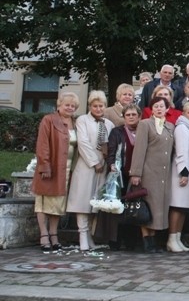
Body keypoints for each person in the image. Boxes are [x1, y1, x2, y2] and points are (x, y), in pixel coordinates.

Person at [32, 91, 80, 252]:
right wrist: (44, 166)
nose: (70, 108)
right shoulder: (49, 120)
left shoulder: (75, 122)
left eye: (73, 105)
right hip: (52, 167)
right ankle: (44, 235)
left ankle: (54, 234)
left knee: (58, 204)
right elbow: (43, 144)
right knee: (44, 202)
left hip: (67, 169)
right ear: (59, 105)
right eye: (67, 105)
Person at [67, 91, 114, 251]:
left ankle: (89, 237)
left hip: (103, 166)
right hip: (86, 165)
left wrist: (106, 162)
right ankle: (82, 236)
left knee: (95, 203)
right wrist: (94, 162)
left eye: (101, 106)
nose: (98, 108)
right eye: (95, 106)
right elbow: (83, 143)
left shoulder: (108, 123)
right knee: (83, 201)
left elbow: (111, 144)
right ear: (90, 106)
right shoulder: (83, 120)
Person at [129, 96, 175, 253]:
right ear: (151, 109)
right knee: (147, 207)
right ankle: (147, 242)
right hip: (148, 172)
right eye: (156, 106)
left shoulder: (170, 126)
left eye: (162, 106)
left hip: (164, 174)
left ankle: (153, 241)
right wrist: (136, 173)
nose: (159, 109)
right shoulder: (145, 124)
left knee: (158, 208)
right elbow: (139, 149)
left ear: (167, 109)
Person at [105, 103, 141, 251]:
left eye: (134, 115)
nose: (131, 117)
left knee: (134, 208)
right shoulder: (117, 131)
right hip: (120, 174)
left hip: (138, 175)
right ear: (124, 117)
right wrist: (112, 165)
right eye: (128, 115)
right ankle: (115, 240)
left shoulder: (143, 130)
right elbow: (111, 150)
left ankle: (132, 241)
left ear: (139, 116)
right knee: (118, 208)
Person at [167, 102, 189, 252]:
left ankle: (178, 238)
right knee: (177, 207)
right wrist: (184, 173)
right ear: (184, 113)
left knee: (183, 208)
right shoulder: (181, 128)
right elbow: (181, 152)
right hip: (182, 173)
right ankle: (171, 238)